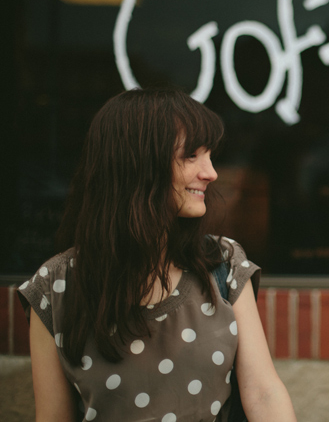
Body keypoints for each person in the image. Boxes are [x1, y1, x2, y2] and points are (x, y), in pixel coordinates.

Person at [18, 88, 296, 422]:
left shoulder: (223, 263)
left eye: (209, 155)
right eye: (191, 155)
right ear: (137, 163)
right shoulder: (55, 288)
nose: (211, 172)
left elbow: (263, 393)